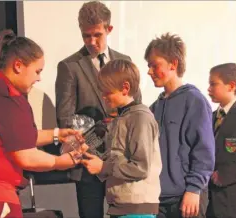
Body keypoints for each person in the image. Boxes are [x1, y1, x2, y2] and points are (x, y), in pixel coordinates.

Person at [0, 29, 86, 218]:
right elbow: (24, 155)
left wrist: (56, 134)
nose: (39, 78)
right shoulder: (8, 98)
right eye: (37, 71)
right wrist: (60, 162)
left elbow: (13, 136)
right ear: (18, 66)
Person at [55, 1, 141, 218]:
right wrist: (90, 154)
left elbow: (136, 108)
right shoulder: (69, 66)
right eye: (86, 36)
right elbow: (65, 118)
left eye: (97, 35)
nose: (91, 42)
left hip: (121, 162)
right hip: (87, 165)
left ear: (109, 29)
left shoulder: (125, 61)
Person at [144, 33, 215, 218]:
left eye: (154, 65)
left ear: (173, 64)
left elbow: (204, 151)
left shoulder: (194, 101)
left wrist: (194, 189)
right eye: (148, 66)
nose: (149, 71)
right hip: (158, 199)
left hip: (185, 199)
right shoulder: (154, 107)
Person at [81, 59, 162, 218]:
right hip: (122, 206)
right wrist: (90, 153)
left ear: (125, 88)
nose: (103, 97)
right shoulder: (122, 118)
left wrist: (103, 167)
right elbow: (119, 158)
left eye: (108, 92)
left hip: (137, 209)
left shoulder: (140, 118)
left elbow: (140, 167)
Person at [206, 63, 236, 218]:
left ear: (231, 86)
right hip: (209, 200)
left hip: (232, 199)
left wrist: (225, 175)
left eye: (213, 84)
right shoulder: (211, 117)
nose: (209, 89)